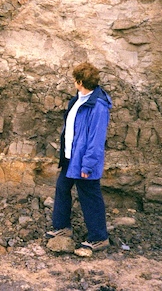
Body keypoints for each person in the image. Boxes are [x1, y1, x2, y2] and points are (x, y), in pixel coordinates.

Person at [47, 62, 112, 251]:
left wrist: (88, 166)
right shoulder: (78, 99)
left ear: (80, 81)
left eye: (75, 80)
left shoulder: (98, 106)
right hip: (71, 157)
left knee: (89, 195)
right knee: (62, 187)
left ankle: (99, 237)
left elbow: (96, 140)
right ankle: (62, 227)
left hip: (84, 161)